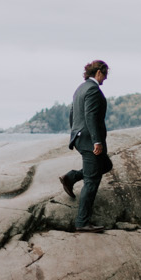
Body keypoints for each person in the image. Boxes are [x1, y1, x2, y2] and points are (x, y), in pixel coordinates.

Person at [58, 60, 110, 232]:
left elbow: (72, 113)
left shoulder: (80, 88)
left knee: (105, 165)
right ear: (98, 73)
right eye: (105, 74)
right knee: (92, 180)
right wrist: (96, 141)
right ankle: (82, 222)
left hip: (80, 137)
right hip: (89, 139)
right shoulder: (94, 89)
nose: (106, 78)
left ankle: (70, 177)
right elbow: (90, 116)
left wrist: (75, 132)